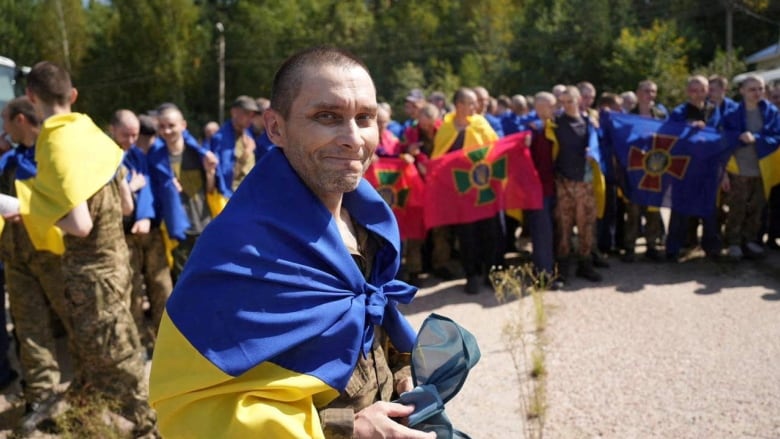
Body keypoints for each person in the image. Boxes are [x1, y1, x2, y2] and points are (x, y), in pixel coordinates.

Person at [150, 47, 433, 439]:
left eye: (364, 118)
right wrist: (345, 427)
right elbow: (193, 406)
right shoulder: (237, 251)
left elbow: (368, 323)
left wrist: (400, 369)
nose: (353, 138)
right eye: (326, 117)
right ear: (275, 128)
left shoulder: (370, 222)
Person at [19, 61, 156, 436]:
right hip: (118, 263)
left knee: (117, 354)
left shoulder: (55, 142)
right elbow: (127, 206)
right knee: (96, 348)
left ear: (31, 98)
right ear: (73, 95)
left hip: (91, 275)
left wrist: (29, 209)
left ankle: (149, 424)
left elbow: (80, 225)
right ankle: (86, 410)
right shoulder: (93, 134)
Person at [0, 96, 71, 433]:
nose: (3, 126)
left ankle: (90, 391)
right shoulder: (10, 160)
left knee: (75, 324)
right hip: (17, 256)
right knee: (29, 329)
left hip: (52, 255)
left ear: (20, 119)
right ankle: (41, 399)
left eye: (5, 119)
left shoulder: (52, 153)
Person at [111, 109, 173, 351]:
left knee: (162, 286)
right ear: (112, 130)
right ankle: (136, 343)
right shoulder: (105, 157)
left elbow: (146, 187)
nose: (131, 140)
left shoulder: (137, 154)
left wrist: (145, 216)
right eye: (126, 135)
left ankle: (165, 341)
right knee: (132, 291)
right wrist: (129, 185)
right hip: (123, 235)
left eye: (135, 135)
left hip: (150, 231)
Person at [432, 87, 502, 294]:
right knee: (467, 235)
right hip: (461, 192)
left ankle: (492, 273)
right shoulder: (445, 128)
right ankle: (471, 275)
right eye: (471, 103)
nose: (475, 107)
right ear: (460, 105)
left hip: (483, 188)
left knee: (490, 232)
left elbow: (496, 149)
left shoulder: (481, 123)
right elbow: (439, 159)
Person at [148, 104, 221, 282]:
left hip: (204, 226)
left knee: (210, 279)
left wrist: (210, 173)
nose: (167, 131)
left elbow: (211, 191)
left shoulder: (199, 155)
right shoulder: (156, 158)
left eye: (171, 125)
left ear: (183, 125)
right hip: (178, 232)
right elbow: (154, 196)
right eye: (162, 126)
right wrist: (167, 187)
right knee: (183, 282)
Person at [722, 75, 780, 260]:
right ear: (742, 91)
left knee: (757, 207)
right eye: (752, 89)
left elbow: (777, 137)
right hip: (738, 169)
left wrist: (757, 139)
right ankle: (733, 242)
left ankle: (750, 240)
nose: (757, 93)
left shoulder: (771, 112)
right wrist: (739, 137)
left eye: (760, 89)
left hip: (763, 169)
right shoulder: (731, 114)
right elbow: (722, 141)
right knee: (737, 208)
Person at [548, 86, 603, 283]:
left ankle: (585, 264)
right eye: (562, 102)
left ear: (579, 100)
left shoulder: (589, 123)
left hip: (585, 182)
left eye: (570, 101)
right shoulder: (555, 123)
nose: (566, 106)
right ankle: (562, 268)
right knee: (563, 225)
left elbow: (600, 143)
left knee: (586, 225)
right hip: (563, 181)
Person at [666, 75, 722, 261]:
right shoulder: (679, 112)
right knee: (680, 208)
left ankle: (711, 247)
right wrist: (688, 128)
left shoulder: (714, 111)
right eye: (693, 90)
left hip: (708, 167)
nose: (697, 94)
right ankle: (674, 248)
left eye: (701, 90)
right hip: (684, 168)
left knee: (709, 209)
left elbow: (719, 135)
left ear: (707, 91)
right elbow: (668, 134)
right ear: (687, 91)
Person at [209, 95, 259, 193]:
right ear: (234, 112)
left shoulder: (247, 133)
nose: (250, 118)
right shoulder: (220, 138)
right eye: (246, 113)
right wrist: (247, 152)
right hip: (231, 197)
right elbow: (225, 176)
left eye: (252, 115)